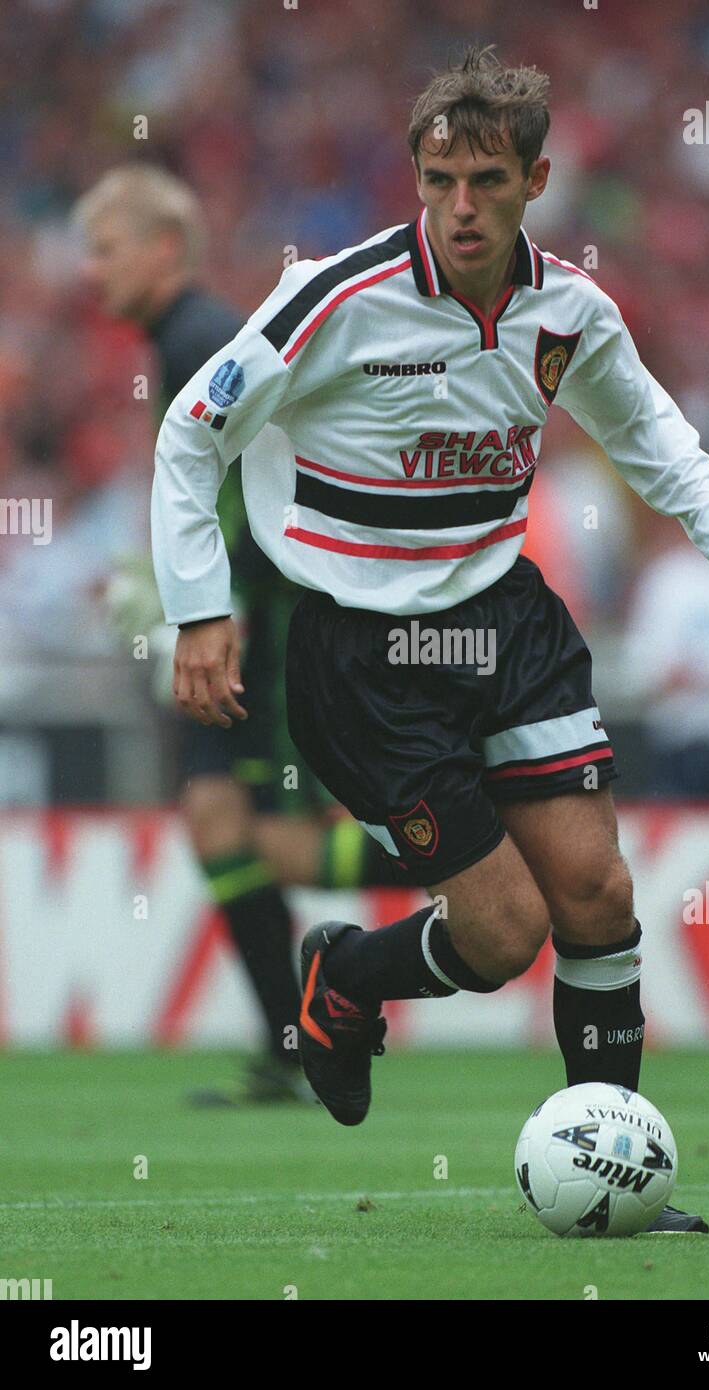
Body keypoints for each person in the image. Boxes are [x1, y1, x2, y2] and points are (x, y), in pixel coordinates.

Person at [150, 48, 709, 1230]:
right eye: (440, 178)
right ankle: (344, 976)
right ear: (417, 177)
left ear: (536, 180)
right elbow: (190, 433)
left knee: (598, 894)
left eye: (487, 180)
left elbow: (648, 426)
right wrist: (200, 607)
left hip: (505, 623)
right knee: (502, 932)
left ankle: (613, 1170)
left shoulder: (569, 309)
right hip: (366, 651)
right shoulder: (334, 297)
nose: (461, 206)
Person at [76, 166, 409, 1106]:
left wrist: (203, 606)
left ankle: (474, 855)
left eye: (105, 249)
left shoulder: (198, 340)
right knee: (216, 821)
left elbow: (262, 483)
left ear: (163, 250)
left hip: (265, 622)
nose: (89, 272)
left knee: (277, 841)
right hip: (247, 614)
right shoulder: (177, 338)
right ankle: (286, 1048)